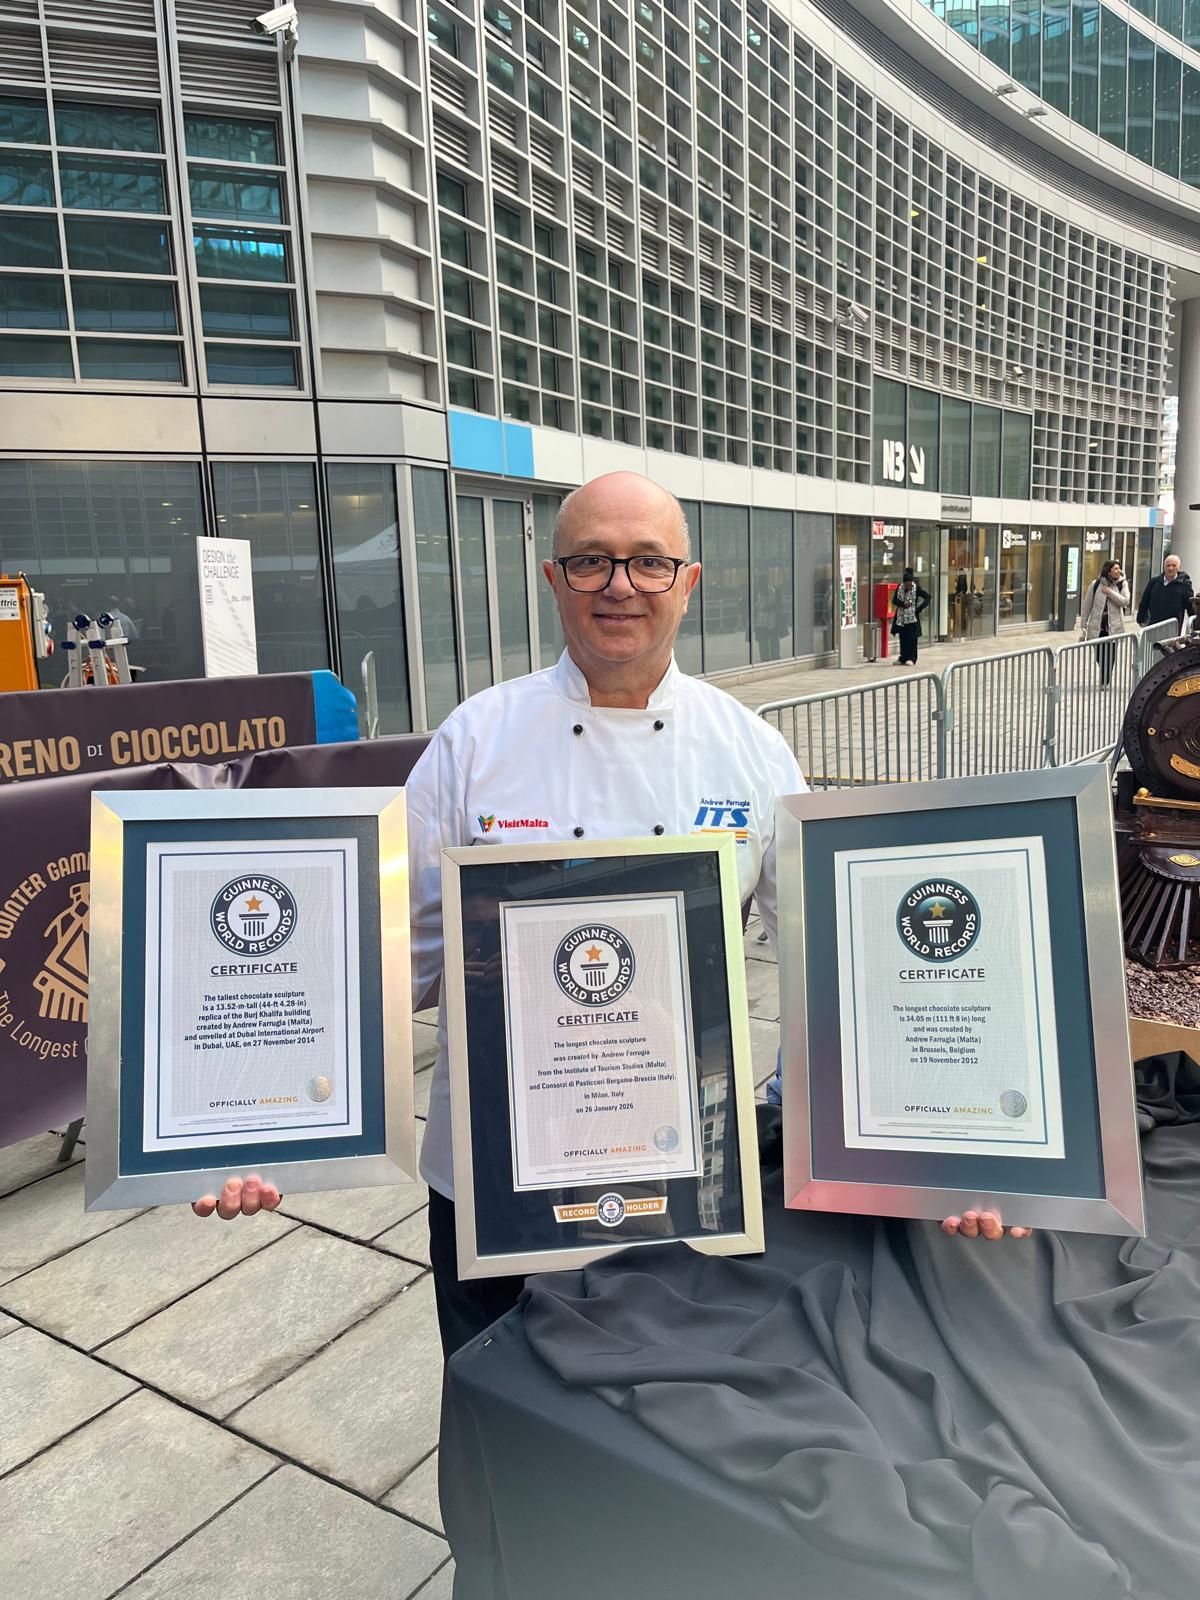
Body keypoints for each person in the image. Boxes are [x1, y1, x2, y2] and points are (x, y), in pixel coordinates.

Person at [192, 473, 1029, 1358]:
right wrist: (259, 1121)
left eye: (648, 563)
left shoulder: (751, 753)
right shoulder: (473, 743)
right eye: (590, 561)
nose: (619, 585)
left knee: (668, 1441)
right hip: (495, 1183)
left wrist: (946, 1148)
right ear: (553, 580)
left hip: (686, 1177)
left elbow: (843, 974)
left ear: (689, 582)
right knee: (499, 1433)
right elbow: (388, 958)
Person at [1078, 558, 1130, 686]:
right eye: (1115, 569)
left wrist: (1110, 593)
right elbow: (1087, 606)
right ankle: (1104, 673)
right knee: (1099, 656)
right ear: (1108, 571)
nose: (1118, 571)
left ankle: (1105, 680)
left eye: (1118, 568)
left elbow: (1125, 601)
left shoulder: (1121, 584)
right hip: (1098, 627)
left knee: (1110, 656)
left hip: (1114, 628)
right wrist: (1083, 625)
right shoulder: (1095, 585)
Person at [1136, 553, 1193, 628]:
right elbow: (1145, 601)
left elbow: (1190, 606)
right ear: (1164, 567)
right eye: (1168, 565)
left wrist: (1195, 624)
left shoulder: (1184, 584)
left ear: (1179, 567)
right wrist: (1140, 618)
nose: (1170, 568)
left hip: (1173, 628)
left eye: (1174, 565)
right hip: (1153, 626)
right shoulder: (1154, 582)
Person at [892, 567, 930, 666]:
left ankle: (912, 658)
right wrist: (903, 604)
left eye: (909, 585)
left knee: (912, 639)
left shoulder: (916, 588)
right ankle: (903, 657)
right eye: (906, 585)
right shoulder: (899, 588)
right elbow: (894, 601)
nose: (908, 587)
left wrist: (919, 608)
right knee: (903, 638)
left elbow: (928, 597)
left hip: (912, 619)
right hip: (901, 619)